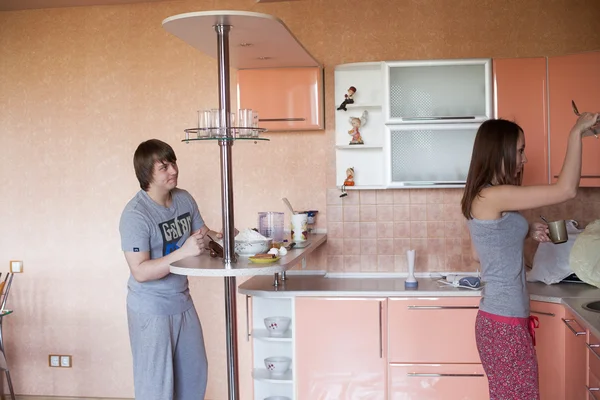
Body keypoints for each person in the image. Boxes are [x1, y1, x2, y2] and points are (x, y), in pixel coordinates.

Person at [460, 112, 599, 399]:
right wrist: (576, 132)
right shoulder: (492, 196)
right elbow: (566, 189)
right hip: (503, 324)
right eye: (520, 150)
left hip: (502, 320)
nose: (524, 159)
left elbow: (478, 252)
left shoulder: (489, 196)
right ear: (500, 151)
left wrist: (525, 231)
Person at [119, 139, 214, 400]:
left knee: (194, 377)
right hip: (150, 309)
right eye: (164, 167)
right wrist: (182, 252)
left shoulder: (183, 199)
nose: (173, 170)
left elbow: (202, 235)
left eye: (173, 162)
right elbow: (140, 271)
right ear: (146, 174)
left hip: (182, 301)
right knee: (156, 387)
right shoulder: (136, 215)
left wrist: (235, 237)